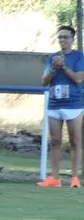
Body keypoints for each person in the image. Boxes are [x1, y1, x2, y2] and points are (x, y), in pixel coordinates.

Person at [38, 24, 84, 188]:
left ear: (72, 39)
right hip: (55, 104)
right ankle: (55, 177)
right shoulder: (53, 58)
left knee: (75, 141)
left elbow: (79, 79)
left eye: (65, 37)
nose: (62, 40)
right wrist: (53, 68)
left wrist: (64, 66)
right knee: (55, 141)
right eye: (60, 37)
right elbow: (44, 81)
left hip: (74, 104)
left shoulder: (79, 56)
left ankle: (75, 178)